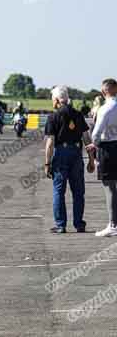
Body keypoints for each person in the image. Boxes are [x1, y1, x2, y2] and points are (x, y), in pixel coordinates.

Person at [44, 86, 95, 234]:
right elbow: (87, 139)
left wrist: (47, 163)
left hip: (60, 154)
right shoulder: (78, 115)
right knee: (78, 191)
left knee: (59, 191)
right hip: (76, 154)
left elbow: (50, 143)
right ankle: (79, 224)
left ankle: (61, 225)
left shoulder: (53, 117)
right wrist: (91, 160)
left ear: (57, 100)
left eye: (53, 100)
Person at [86, 79, 117, 237]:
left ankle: (113, 224)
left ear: (104, 91)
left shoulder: (105, 108)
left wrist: (93, 144)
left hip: (108, 148)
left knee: (109, 187)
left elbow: (96, 132)